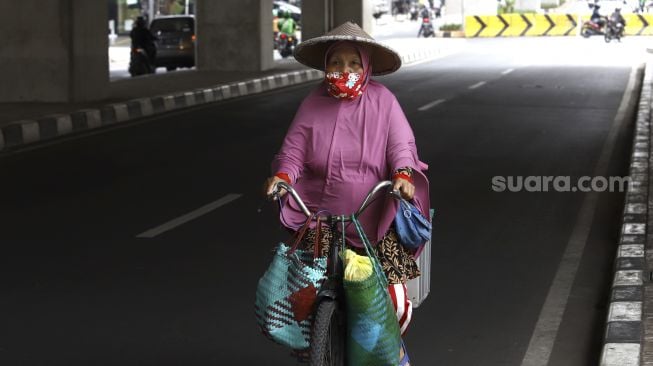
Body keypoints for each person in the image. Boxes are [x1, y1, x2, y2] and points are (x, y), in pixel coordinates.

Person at [264, 22, 430, 366]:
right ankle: (316, 349)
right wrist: (282, 176)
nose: (344, 70)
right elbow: (293, 151)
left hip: (374, 217)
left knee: (394, 303)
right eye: (336, 63)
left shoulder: (384, 101)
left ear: (366, 66)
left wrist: (402, 174)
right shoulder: (312, 103)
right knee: (301, 296)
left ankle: (386, 353)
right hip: (319, 217)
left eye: (353, 63)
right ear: (326, 66)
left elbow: (401, 144)